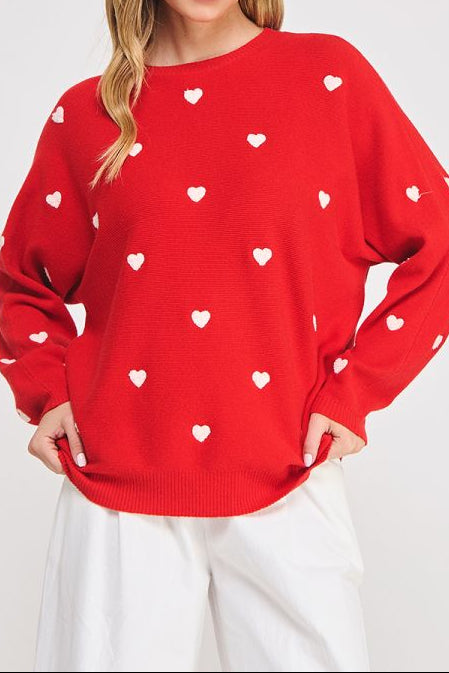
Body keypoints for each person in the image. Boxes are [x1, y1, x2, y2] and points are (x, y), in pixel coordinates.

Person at [1, 0, 448, 670]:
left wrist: (355, 391)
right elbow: (18, 281)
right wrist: (46, 390)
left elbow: (440, 244)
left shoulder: (327, 78)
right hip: (116, 486)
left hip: (289, 471)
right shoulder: (87, 114)